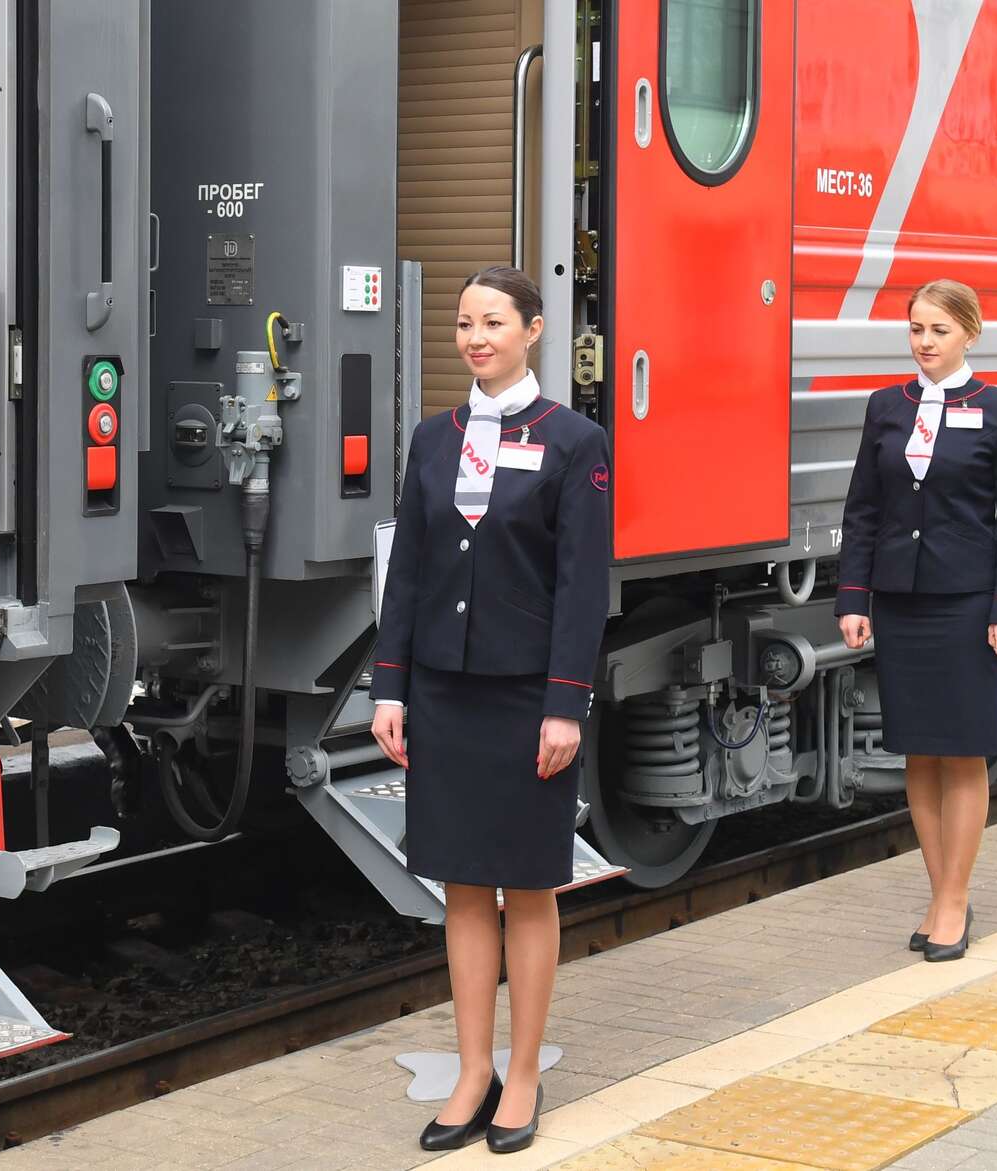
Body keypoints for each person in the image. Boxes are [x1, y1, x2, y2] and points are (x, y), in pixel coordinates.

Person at [370, 266, 611, 1153]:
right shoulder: (435, 439)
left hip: (525, 698)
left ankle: (526, 1073)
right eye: (466, 323)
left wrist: (564, 705)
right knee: (462, 883)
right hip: (443, 691)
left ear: (534, 330)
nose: (476, 338)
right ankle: (473, 1070)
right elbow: (411, 573)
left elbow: (584, 586)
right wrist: (389, 685)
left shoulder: (574, 441)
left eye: (495, 322)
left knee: (529, 882)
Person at [834, 278, 997, 963]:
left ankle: (953, 899)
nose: (924, 342)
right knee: (918, 749)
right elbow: (863, 508)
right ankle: (941, 889)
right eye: (916, 328)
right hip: (900, 601)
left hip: (967, 603)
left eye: (939, 330)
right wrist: (853, 597)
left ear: (970, 334)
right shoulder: (886, 407)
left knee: (963, 747)